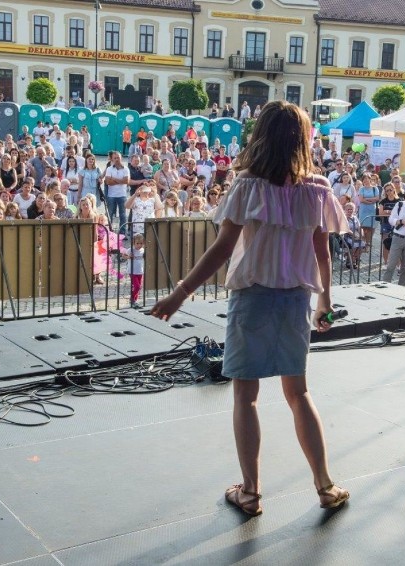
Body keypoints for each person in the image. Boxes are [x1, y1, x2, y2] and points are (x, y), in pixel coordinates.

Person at [150, 100, 350, 516]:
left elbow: (223, 249)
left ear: (262, 137)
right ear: (303, 139)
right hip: (296, 299)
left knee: (247, 397)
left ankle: (252, 492)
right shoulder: (317, 189)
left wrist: (180, 293)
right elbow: (323, 253)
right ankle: (326, 486)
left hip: (253, 299)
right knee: (299, 394)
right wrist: (324, 301)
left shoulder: (247, 186)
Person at [123, 233, 145, 308]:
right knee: (137, 286)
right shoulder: (131, 250)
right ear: (134, 243)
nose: (139, 245)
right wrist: (129, 256)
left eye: (141, 243)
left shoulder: (143, 250)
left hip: (140, 271)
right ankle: (132, 299)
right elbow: (123, 255)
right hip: (132, 271)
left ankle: (134, 300)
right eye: (137, 243)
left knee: (139, 286)